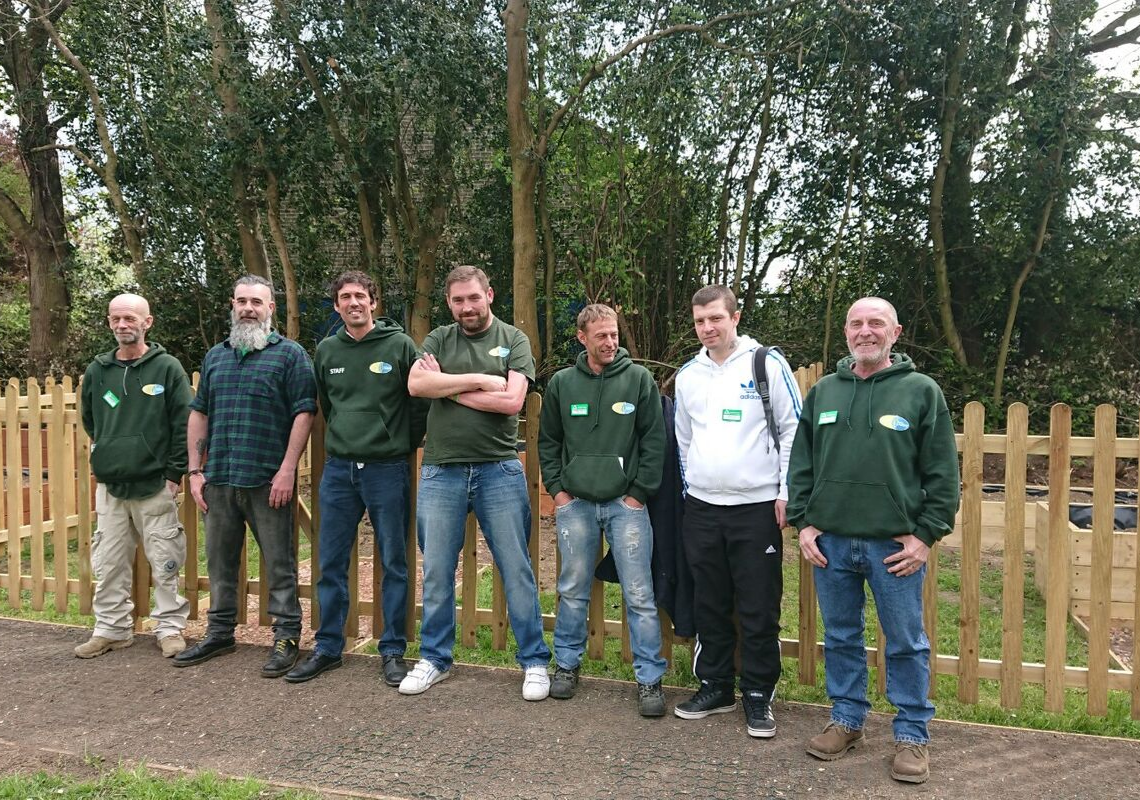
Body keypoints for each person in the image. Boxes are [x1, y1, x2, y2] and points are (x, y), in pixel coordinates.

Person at [788, 296, 959, 785]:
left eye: (876, 324)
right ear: (845, 332)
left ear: (895, 333)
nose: (866, 331)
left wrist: (925, 536)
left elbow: (944, 474)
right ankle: (846, 720)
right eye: (857, 324)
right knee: (840, 637)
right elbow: (802, 465)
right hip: (832, 544)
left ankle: (912, 735)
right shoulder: (823, 392)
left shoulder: (920, 392)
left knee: (905, 642)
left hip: (894, 549)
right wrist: (803, 522)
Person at [400, 265, 551, 700]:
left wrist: (445, 387)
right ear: (449, 303)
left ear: (490, 294)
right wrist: (482, 379)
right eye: (458, 300)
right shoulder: (440, 339)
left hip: (498, 470)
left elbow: (512, 402)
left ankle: (535, 662)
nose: (467, 306)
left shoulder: (514, 340)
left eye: (473, 297)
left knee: (516, 569)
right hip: (441, 469)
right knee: (437, 571)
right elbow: (415, 383)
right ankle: (434, 659)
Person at [285, 271, 427, 685]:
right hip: (339, 471)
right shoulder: (327, 351)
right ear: (336, 306)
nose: (353, 303)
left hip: (387, 468)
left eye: (360, 296)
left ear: (374, 302)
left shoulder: (400, 345)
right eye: (345, 297)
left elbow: (417, 403)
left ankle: (393, 650)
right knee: (330, 562)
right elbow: (327, 405)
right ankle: (329, 647)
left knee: (394, 562)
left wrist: (399, 441)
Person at [673, 285, 802, 738]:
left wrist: (786, 492)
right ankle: (715, 686)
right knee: (709, 601)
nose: (708, 329)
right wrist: (694, 490)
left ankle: (758, 693)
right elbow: (684, 441)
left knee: (758, 605)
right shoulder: (689, 374)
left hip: (757, 508)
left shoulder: (766, 364)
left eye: (715, 319)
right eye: (700, 322)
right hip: (704, 508)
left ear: (735, 317)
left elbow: (793, 432)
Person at [175, 275, 317, 678]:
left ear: (271, 308)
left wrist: (288, 469)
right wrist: (196, 471)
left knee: (280, 563)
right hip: (219, 479)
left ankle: (287, 637)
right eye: (242, 301)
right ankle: (219, 633)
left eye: (257, 301)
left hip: (266, 480)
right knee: (219, 561)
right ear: (232, 305)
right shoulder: (215, 356)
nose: (248, 308)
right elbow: (199, 413)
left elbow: (304, 412)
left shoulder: (290, 355)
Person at [538, 304, 668, 717]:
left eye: (614, 335)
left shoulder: (638, 380)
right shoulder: (562, 383)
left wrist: (638, 494)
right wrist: (558, 491)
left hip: (624, 506)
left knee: (640, 593)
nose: (610, 342)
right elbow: (548, 441)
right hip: (575, 504)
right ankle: (567, 665)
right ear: (582, 338)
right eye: (601, 336)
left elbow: (653, 441)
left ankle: (649, 678)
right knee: (572, 589)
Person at [75, 294, 192, 659]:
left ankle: (169, 627)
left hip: (155, 482)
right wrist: (111, 454)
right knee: (108, 560)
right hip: (111, 485)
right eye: (115, 319)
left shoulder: (168, 368)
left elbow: (182, 424)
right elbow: (91, 420)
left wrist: (174, 474)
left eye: (129, 318)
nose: (122, 325)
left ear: (147, 322)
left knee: (165, 557)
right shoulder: (98, 370)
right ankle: (112, 629)